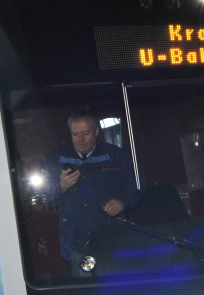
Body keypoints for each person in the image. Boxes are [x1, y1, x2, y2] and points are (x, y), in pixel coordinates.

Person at [41, 110, 139, 273]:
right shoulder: (55, 159)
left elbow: (136, 186)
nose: (80, 139)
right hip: (75, 242)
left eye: (85, 133)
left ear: (96, 131)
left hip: (111, 237)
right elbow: (43, 197)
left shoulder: (116, 156)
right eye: (75, 134)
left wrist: (123, 203)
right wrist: (61, 187)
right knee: (84, 291)